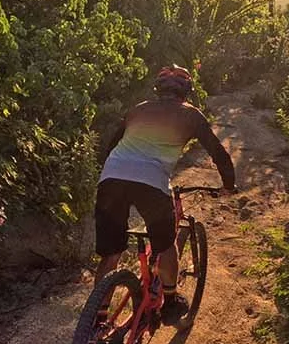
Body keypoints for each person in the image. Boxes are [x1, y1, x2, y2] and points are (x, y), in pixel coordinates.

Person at [93, 65, 236, 323]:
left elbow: (111, 145)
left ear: (158, 90)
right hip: (151, 182)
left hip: (112, 176)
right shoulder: (191, 115)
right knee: (165, 244)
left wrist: (110, 174)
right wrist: (228, 184)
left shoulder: (138, 109)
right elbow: (219, 154)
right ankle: (170, 302)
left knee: (110, 253)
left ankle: (97, 316)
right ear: (187, 92)